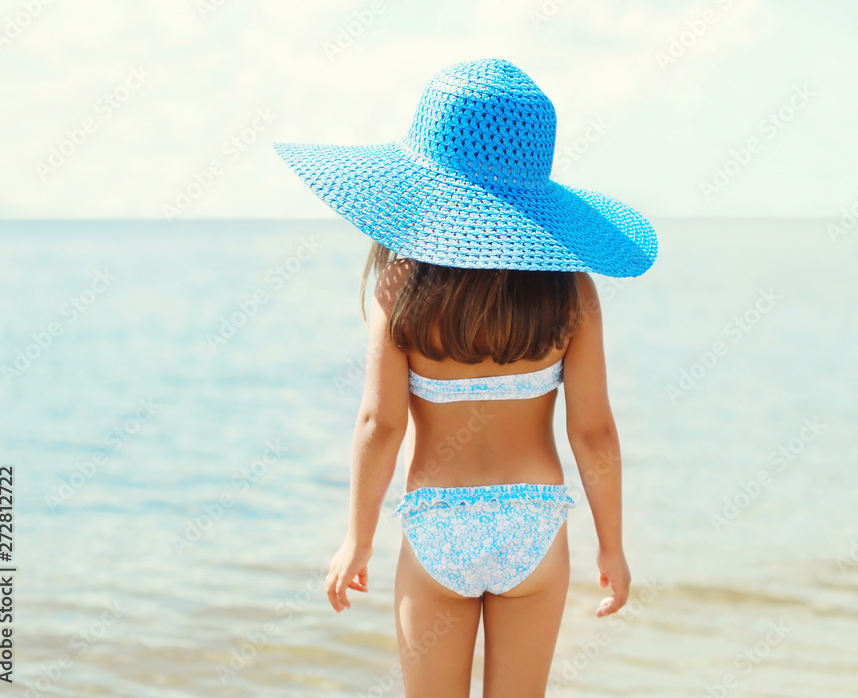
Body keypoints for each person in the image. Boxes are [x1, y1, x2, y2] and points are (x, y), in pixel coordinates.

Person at [273, 57, 658, 698]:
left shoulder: (400, 285)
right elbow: (593, 431)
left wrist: (356, 539)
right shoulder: (571, 292)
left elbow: (380, 424)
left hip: (437, 524)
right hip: (533, 521)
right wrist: (611, 547)